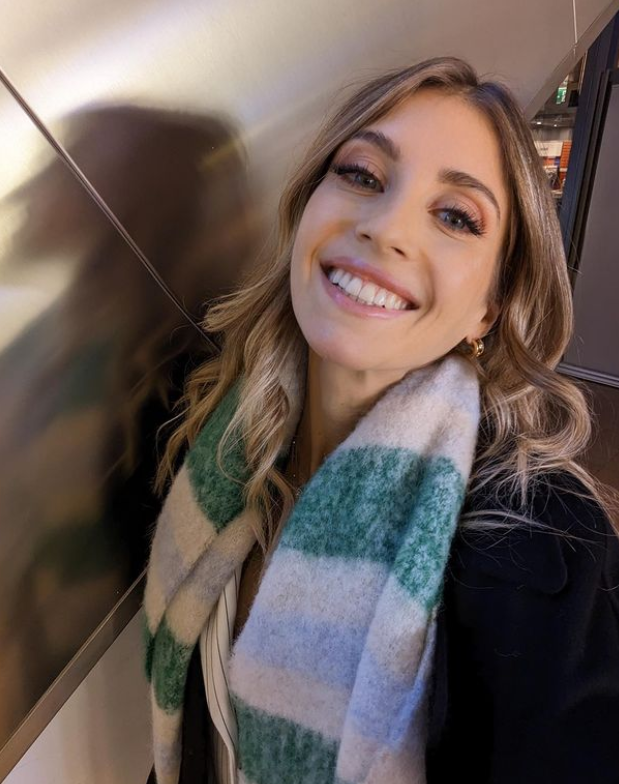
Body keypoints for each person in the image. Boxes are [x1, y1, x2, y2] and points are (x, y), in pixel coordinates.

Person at [143, 56, 619, 784]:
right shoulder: (214, 434)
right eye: (362, 175)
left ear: (489, 307)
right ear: (306, 208)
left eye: (456, 217)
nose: (387, 227)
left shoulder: (537, 543)